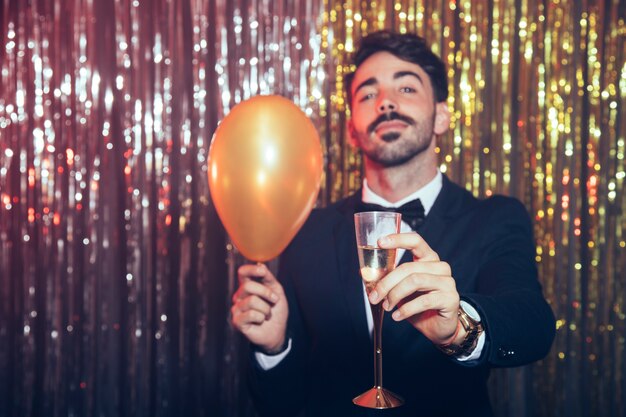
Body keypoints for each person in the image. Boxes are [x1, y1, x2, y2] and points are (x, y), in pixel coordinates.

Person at [230, 30, 555, 417]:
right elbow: (282, 403)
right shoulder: (307, 231)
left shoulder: (494, 218)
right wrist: (275, 348)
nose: (385, 102)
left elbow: (532, 325)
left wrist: (459, 330)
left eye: (406, 88)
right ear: (352, 130)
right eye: (368, 94)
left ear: (442, 116)